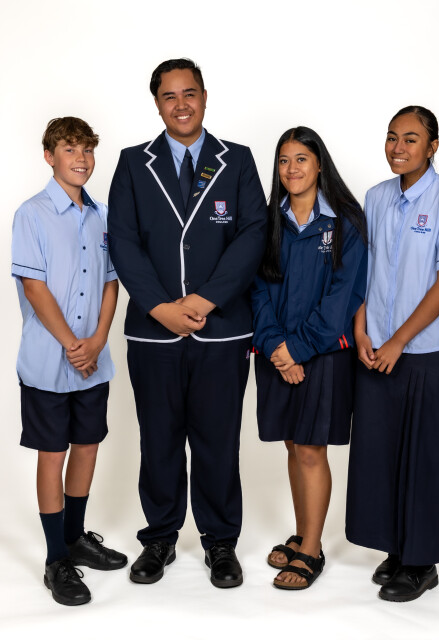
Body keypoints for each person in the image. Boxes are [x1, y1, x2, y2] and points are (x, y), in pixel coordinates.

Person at [108, 58, 266, 589]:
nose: (181, 104)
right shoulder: (133, 163)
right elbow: (123, 241)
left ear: (204, 96)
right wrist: (160, 307)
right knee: (159, 438)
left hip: (222, 329)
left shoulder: (236, 160)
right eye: (169, 96)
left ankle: (220, 542)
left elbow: (252, 234)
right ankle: (160, 537)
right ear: (157, 104)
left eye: (189, 93)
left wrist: (204, 298)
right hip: (153, 332)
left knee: (218, 439)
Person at [346, 106, 439, 602]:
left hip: (425, 352)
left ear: (432, 146)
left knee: (425, 455)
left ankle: (422, 563)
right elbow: (362, 270)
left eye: (411, 139)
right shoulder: (376, 197)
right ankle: (397, 548)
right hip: (375, 350)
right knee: (380, 451)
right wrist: (361, 330)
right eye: (392, 137)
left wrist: (399, 340)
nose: (398, 147)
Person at [11, 117, 127, 607]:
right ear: (49, 156)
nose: (80, 159)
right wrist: (71, 344)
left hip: (93, 361)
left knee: (87, 446)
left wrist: (96, 341)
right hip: (48, 361)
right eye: (69, 149)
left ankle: (76, 537)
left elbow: (111, 281)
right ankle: (56, 558)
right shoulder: (31, 214)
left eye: (87, 150)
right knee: (53, 454)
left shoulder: (103, 216)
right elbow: (34, 287)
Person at [251, 126, 367, 590]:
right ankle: (303, 533)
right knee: (291, 444)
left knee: (311, 449)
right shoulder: (267, 221)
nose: (291, 168)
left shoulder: (345, 222)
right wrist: (275, 346)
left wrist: (295, 350)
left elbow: (343, 298)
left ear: (320, 164)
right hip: (275, 351)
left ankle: (312, 550)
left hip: (321, 354)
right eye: (283, 160)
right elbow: (256, 288)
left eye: (301, 159)